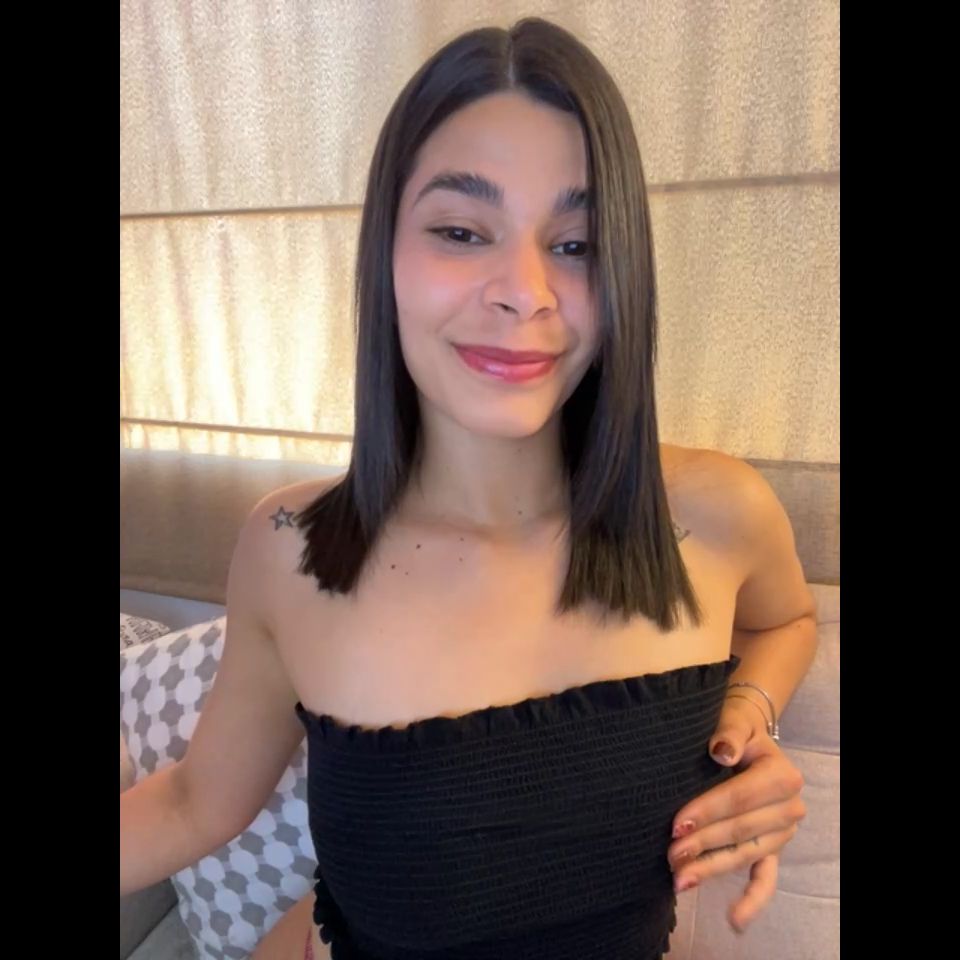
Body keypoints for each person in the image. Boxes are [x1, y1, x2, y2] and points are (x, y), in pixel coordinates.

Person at [122, 17, 815, 960]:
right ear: (386, 255)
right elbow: (194, 803)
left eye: (576, 244)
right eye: (459, 231)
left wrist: (750, 714)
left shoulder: (714, 513)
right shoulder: (292, 548)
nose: (524, 291)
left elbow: (786, 620)